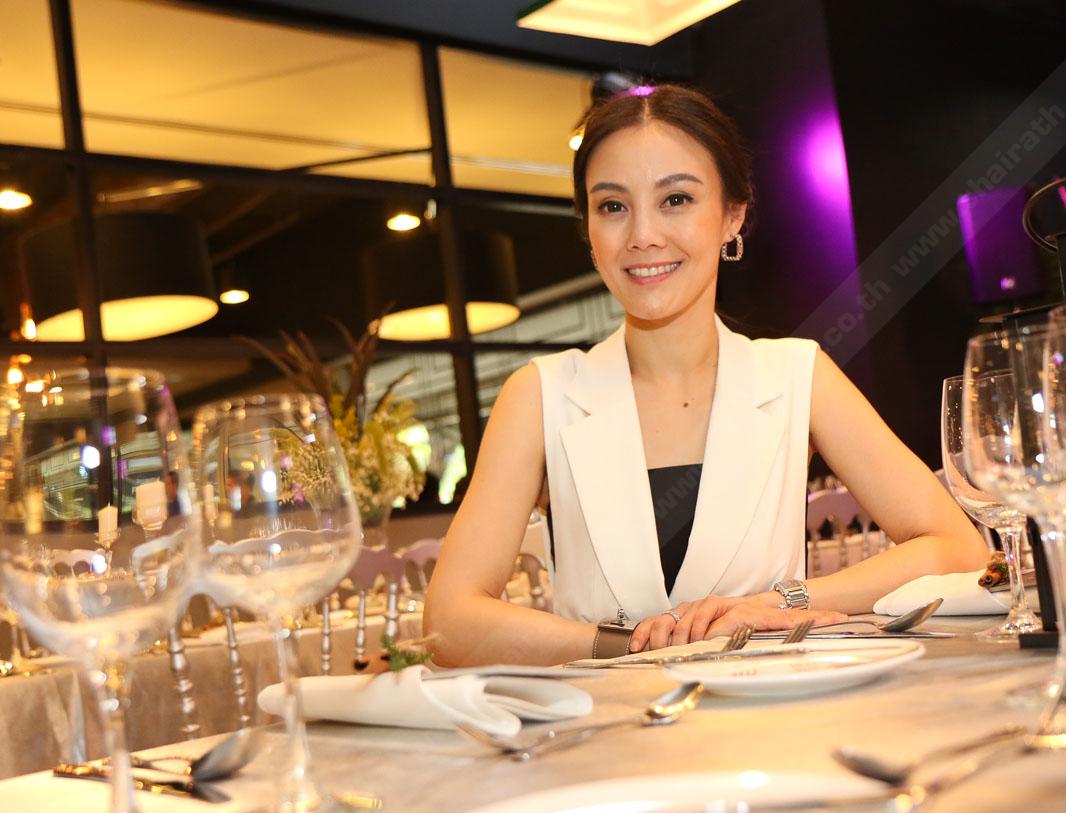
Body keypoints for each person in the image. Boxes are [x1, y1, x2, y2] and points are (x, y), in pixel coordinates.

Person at [423, 83, 987, 666]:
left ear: (732, 216)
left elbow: (957, 549)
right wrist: (628, 646)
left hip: (774, 707)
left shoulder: (795, 374)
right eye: (613, 206)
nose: (643, 236)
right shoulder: (543, 393)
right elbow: (448, 622)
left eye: (676, 199)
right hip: (604, 714)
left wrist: (777, 603)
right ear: (588, 230)